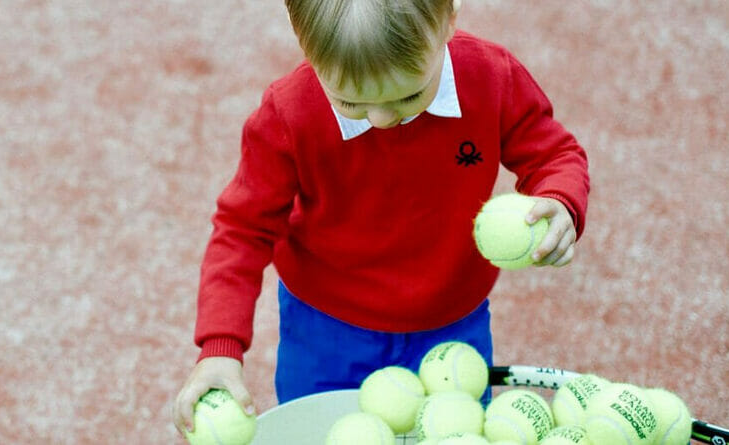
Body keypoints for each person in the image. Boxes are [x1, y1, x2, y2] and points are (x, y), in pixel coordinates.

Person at [173, 0, 590, 435]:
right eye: (351, 102)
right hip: (325, 330)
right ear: (306, 47)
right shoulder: (288, 113)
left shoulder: (492, 77)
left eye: (409, 95)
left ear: (449, 18)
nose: (383, 119)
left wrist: (560, 199)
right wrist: (220, 348)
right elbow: (242, 230)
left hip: (452, 327)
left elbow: (556, 155)